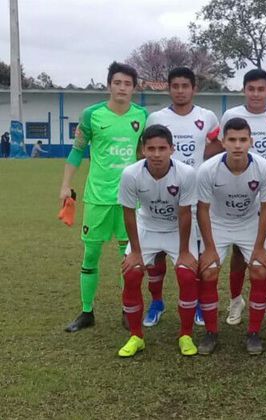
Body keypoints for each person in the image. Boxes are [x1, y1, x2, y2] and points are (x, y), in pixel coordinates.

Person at [60, 62, 148, 332]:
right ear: (109, 84)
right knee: (91, 254)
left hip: (129, 200)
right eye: (118, 82)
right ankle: (87, 312)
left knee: (129, 257)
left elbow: (145, 155)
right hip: (98, 197)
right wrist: (65, 185)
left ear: (134, 88)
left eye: (128, 84)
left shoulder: (143, 116)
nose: (122, 88)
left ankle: (128, 309)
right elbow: (77, 151)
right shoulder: (91, 115)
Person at [142, 67, 220, 328]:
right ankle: (157, 302)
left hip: (194, 195)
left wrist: (205, 168)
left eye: (185, 86)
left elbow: (218, 144)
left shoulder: (206, 117)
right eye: (175, 86)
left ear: (193, 88)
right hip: (160, 193)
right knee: (157, 256)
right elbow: (145, 152)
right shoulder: (156, 117)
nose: (180, 90)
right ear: (169, 88)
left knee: (192, 254)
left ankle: (196, 303)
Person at [195, 117, 266, 355]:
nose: (238, 145)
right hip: (218, 224)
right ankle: (210, 332)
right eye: (232, 140)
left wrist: (260, 246)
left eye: (243, 140)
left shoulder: (264, 168)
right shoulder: (208, 169)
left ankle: (253, 333)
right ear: (223, 142)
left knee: (260, 269)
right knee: (208, 271)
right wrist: (209, 248)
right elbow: (203, 209)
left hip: (248, 224)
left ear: (251, 141)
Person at [117, 124, 199, 357]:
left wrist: (184, 252)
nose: (156, 154)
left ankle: (185, 335)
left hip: (176, 230)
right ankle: (136, 336)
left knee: (186, 274)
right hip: (147, 227)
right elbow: (129, 212)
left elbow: (185, 214)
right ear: (143, 149)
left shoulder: (186, 173)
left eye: (162, 148)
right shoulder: (131, 174)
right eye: (151, 148)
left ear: (172, 149)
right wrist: (135, 252)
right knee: (131, 273)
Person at [219, 69, 266, 328]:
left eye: (261, 89)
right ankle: (236, 300)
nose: (256, 94)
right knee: (239, 250)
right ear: (244, 90)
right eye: (251, 89)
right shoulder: (231, 115)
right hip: (239, 189)